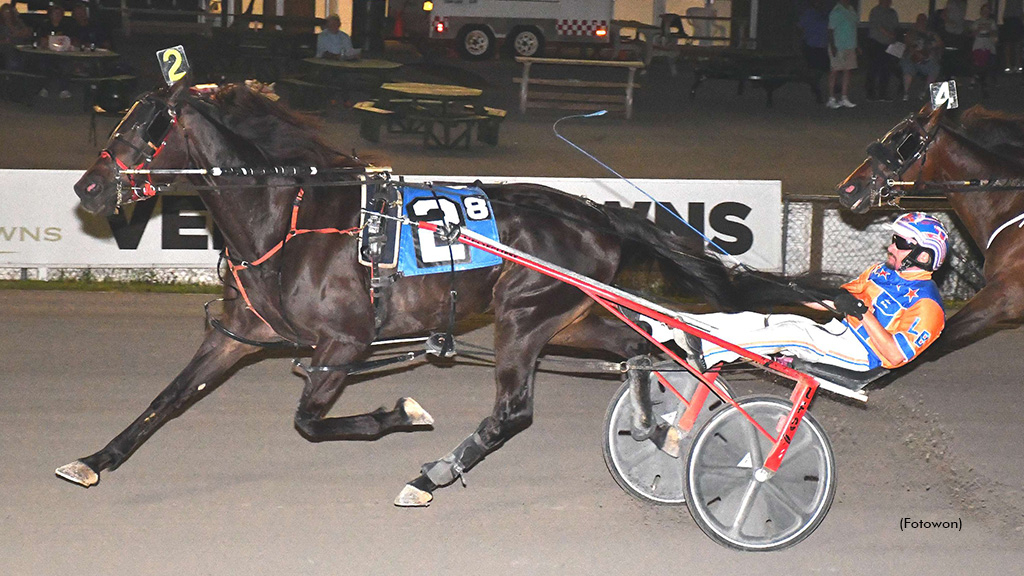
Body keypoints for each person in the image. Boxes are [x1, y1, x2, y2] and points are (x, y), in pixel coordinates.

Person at [675, 213, 948, 373]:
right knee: (773, 321)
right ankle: (685, 327)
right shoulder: (881, 272)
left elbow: (895, 356)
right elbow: (838, 301)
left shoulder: (928, 306)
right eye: (893, 240)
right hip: (838, 332)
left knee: (795, 335)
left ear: (924, 255)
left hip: (863, 356)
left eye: (900, 242)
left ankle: (709, 353)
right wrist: (793, 293)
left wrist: (863, 314)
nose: (891, 247)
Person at [34, 4, 75, 98]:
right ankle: (44, 88)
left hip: (63, 54)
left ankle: (64, 89)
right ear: (50, 15)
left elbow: (70, 40)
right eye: (55, 13)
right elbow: (42, 40)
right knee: (45, 64)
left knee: (66, 65)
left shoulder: (67, 26)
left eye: (60, 14)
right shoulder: (45, 25)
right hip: (47, 54)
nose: (57, 16)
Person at [901, 13, 944, 101]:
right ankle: (906, 92)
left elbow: (940, 44)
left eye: (923, 21)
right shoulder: (912, 32)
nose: (921, 23)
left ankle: (925, 91)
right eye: (920, 20)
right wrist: (916, 53)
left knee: (935, 68)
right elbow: (908, 44)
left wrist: (932, 50)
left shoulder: (931, 33)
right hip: (913, 58)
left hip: (927, 59)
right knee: (907, 68)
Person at [826, 0, 859, 109]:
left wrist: (857, 44)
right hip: (838, 45)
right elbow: (830, 30)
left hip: (850, 45)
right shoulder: (836, 11)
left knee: (847, 71)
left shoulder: (851, 9)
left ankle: (844, 97)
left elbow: (853, 28)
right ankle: (831, 98)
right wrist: (832, 46)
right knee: (834, 71)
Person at [865, 0, 899, 101]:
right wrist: (889, 34)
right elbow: (879, 26)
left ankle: (882, 93)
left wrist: (894, 37)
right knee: (874, 68)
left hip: (888, 44)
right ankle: (870, 93)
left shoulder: (892, 12)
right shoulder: (875, 11)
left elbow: (896, 26)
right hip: (876, 43)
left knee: (886, 69)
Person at [971, 3, 998, 85]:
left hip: (989, 44)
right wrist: (978, 30)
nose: (986, 12)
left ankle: (989, 80)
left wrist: (990, 30)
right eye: (984, 10)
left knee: (989, 63)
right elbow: (972, 33)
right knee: (978, 63)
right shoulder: (977, 22)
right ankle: (975, 79)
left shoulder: (992, 22)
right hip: (978, 44)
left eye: (987, 10)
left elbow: (995, 34)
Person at [0, 3, 32, 70]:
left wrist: (17, 32)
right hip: (6, 48)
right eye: (5, 12)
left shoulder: (18, 22)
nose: (7, 14)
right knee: (12, 59)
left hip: (21, 47)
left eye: (8, 12)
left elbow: (27, 32)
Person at [1001, 0, 1023, 73]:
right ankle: (1008, 65)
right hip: (1008, 18)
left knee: (1017, 44)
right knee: (1008, 44)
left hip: (1017, 19)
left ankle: (1018, 65)